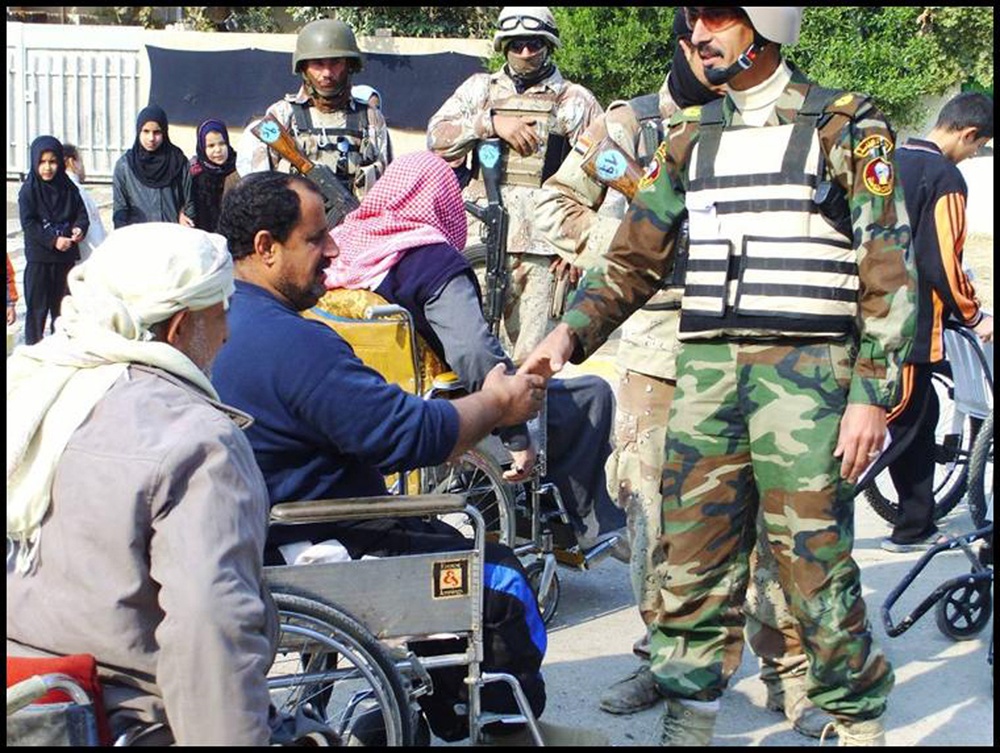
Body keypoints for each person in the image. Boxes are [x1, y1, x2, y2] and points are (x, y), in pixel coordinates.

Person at [520, 6, 916, 745]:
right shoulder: (690, 138)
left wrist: (871, 392)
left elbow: (887, 268)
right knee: (691, 558)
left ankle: (859, 722)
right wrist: (569, 333)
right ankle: (688, 718)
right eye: (693, 17)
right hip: (704, 374)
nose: (699, 32)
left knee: (814, 561)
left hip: (806, 377)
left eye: (717, 15)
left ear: (767, 21)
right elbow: (634, 259)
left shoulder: (844, 124)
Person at [211, 171, 605, 747]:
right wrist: (496, 404)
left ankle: (444, 706)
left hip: (266, 525)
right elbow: (410, 435)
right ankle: (502, 727)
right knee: (500, 576)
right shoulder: (290, 342)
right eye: (316, 239)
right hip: (321, 533)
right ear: (266, 247)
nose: (334, 249)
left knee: (436, 538)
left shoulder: (218, 320)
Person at [6, 223, 276, 745]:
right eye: (220, 315)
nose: (226, 334)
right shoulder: (198, 441)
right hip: (123, 720)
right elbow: (209, 638)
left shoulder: (31, 389)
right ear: (180, 326)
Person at [324, 150, 624, 552]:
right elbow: (473, 355)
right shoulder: (430, 261)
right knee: (591, 395)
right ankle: (581, 530)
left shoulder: (341, 248)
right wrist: (514, 430)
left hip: (365, 403)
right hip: (450, 404)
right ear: (438, 200)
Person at [426, 6, 603, 364]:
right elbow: (436, 137)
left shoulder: (574, 101)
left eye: (534, 45)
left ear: (549, 45)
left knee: (533, 362)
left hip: (544, 252)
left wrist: (582, 247)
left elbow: (606, 179)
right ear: (503, 46)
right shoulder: (480, 90)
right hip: (482, 241)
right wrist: (489, 123)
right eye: (517, 44)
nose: (525, 53)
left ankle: (528, 424)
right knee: (472, 355)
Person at [879, 91, 994, 553]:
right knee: (893, 426)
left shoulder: (890, 163)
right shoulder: (944, 177)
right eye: (978, 147)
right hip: (909, 327)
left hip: (870, 317)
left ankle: (914, 526)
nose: (973, 156)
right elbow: (942, 260)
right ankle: (809, 521)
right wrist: (973, 313)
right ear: (968, 134)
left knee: (919, 420)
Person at [249, 18, 390, 199]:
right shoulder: (282, 115)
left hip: (355, 224)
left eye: (336, 63)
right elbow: (258, 185)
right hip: (292, 223)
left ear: (349, 66)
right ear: (304, 68)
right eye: (318, 64)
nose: (327, 73)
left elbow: (387, 183)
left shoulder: (370, 118)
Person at [17, 135, 89, 345]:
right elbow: (29, 225)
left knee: (62, 311)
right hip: (40, 260)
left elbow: (81, 214)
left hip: (64, 262)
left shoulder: (68, 188)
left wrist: (79, 228)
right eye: (42, 162)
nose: (47, 168)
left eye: (52, 161)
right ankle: (34, 353)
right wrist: (53, 241)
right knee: (36, 311)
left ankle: (61, 351)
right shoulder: (29, 191)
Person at [112, 105, 195, 229]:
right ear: (138, 131)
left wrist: (184, 216)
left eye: (157, 132)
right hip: (140, 239)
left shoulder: (178, 161)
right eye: (145, 131)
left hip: (173, 236)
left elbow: (189, 201)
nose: (151, 138)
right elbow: (120, 208)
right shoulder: (124, 166)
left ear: (165, 132)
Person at [189, 118, 240, 233]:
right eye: (211, 146)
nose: (218, 150)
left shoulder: (240, 168)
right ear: (202, 147)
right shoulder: (195, 175)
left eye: (222, 143)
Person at [62, 143, 108, 263]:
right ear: (72, 162)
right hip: (89, 261)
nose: (83, 167)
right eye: (81, 161)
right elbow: (93, 232)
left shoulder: (67, 188)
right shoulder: (76, 190)